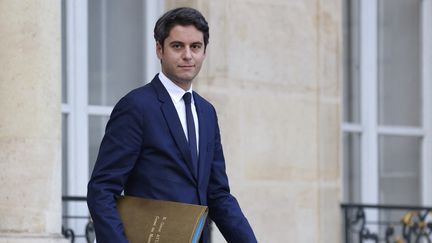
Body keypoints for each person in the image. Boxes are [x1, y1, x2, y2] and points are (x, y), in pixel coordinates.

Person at [87, 7, 257, 243]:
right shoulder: (136, 107)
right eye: (177, 46)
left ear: (204, 52)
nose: (188, 55)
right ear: (159, 49)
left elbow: (217, 193)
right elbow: (102, 190)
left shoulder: (207, 113)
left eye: (195, 47)